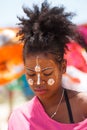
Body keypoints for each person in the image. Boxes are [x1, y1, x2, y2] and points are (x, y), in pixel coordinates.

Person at [8, 1, 87, 130]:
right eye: (31, 74)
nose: (38, 82)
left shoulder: (84, 109)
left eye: (47, 73)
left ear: (62, 67)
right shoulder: (19, 119)